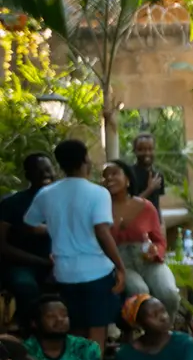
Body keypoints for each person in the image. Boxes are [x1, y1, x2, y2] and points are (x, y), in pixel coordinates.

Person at [23, 139, 123, 345]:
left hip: (65, 273)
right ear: (85, 159)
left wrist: (55, 229)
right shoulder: (98, 193)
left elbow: (30, 225)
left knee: (75, 326)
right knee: (97, 328)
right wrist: (120, 267)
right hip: (97, 271)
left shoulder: (46, 194)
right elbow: (102, 232)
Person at [100, 160, 178, 317]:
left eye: (114, 173)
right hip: (121, 264)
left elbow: (159, 240)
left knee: (168, 293)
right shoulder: (100, 209)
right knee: (139, 292)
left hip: (149, 261)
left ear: (128, 179)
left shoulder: (146, 207)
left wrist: (155, 251)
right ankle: (141, 335)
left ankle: (166, 332)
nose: (109, 178)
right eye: (105, 176)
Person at [0, 151, 56, 319]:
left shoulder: (63, 200)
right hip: (23, 265)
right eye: (38, 170)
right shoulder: (12, 203)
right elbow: (2, 246)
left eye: (48, 169)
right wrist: (42, 262)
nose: (45, 174)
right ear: (28, 175)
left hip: (61, 263)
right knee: (25, 286)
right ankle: (30, 331)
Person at [126, 131, 166, 206]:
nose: (147, 153)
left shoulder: (158, 176)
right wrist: (149, 189)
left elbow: (157, 206)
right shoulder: (128, 174)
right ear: (134, 151)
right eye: (142, 149)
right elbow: (129, 205)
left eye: (150, 149)